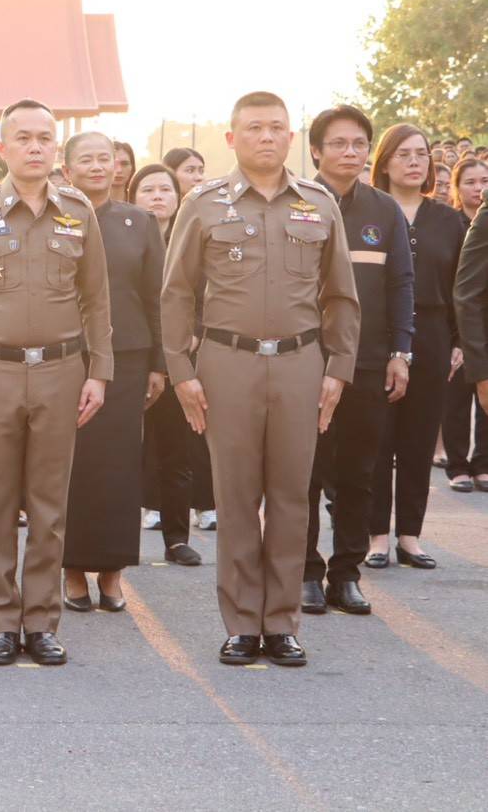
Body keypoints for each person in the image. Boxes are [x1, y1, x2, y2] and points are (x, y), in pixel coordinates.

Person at [161, 91, 359, 667]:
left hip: (301, 364)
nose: (266, 137)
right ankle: (242, 623)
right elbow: (176, 295)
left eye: (277, 127)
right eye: (254, 128)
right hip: (227, 363)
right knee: (237, 496)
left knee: (293, 497)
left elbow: (341, 296)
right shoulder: (203, 204)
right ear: (232, 138)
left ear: (291, 137)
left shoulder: (319, 204)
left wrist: (337, 371)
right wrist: (182, 371)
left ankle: (282, 623)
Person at [0, 99, 112, 667]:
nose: (35, 146)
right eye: (24, 138)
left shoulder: (78, 211)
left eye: (45, 138)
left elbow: (97, 299)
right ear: (2, 150)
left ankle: (40, 621)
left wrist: (100, 371)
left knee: (49, 504)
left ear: (55, 148)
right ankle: (1, 622)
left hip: (62, 372)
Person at [299, 106, 412, 616]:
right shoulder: (296, 203)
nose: (351, 152)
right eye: (339, 143)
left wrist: (400, 352)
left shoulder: (385, 210)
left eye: (359, 144)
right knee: (304, 473)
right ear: (316, 150)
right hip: (303, 362)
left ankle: (346, 573)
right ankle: (304, 570)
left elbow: (400, 285)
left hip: (368, 363)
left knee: (358, 473)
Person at [60, 133, 162, 615]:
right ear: (67, 169)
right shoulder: (57, 218)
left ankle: (114, 572)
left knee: (120, 465)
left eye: (106, 158)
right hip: (66, 354)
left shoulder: (138, 221)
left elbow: (156, 296)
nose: (98, 167)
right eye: (87, 159)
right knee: (70, 464)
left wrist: (160, 363)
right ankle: (73, 569)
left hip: (127, 355)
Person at [367, 123, 459, 571]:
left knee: (420, 438)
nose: (415, 161)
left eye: (421, 153)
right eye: (404, 153)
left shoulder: (448, 218)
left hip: (435, 333)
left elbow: (464, 286)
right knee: (379, 438)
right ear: (384, 162)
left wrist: (459, 342)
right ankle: (377, 536)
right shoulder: (371, 211)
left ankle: (410, 535)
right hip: (379, 334)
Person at [132, 164, 210, 566]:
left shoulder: (190, 239)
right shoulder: (122, 239)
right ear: (133, 197)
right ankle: (119, 538)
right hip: (130, 355)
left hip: (178, 357)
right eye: (148, 189)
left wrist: (195, 330)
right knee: (123, 452)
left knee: (175, 451)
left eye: (165, 188)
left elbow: (205, 290)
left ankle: (177, 538)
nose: (158, 196)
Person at [445, 157, 488, 491]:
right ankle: (458, 465)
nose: (479, 187)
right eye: (470, 182)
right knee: (460, 398)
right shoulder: (455, 223)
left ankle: (482, 463)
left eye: (483, 180)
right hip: (461, 326)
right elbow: (462, 289)